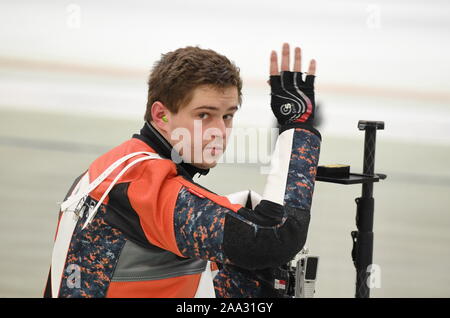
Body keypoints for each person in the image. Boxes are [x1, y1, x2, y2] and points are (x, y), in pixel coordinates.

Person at [44, 43, 321, 298]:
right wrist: (297, 128)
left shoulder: (124, 163)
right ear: (161, 115)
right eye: (203, 115)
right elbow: (275, 239)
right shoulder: (144, 183)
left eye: (228, 116)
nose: (219, 132)